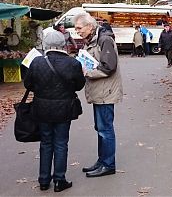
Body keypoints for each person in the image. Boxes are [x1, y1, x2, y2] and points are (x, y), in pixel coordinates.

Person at [24, 30, 86, 192]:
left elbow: (28, 84)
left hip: (42, 109)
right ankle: (59, 180)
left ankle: (44, 180)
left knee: (45, 143)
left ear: (45, 44)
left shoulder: (36, 62)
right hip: (64, 109)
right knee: (61, 143)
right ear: (63, 44)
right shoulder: (73, 63)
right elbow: (79, 85)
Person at [74, 12, 123, 178]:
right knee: (100, 128)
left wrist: (87, 72)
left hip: (105, 92)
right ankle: (102, 161)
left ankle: (108, 164)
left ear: (90, 26)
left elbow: (109, 67)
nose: (77, 31)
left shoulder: (104, 39)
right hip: (99, 91)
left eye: (79, 28)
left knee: (105, 129)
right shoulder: (94, 39)